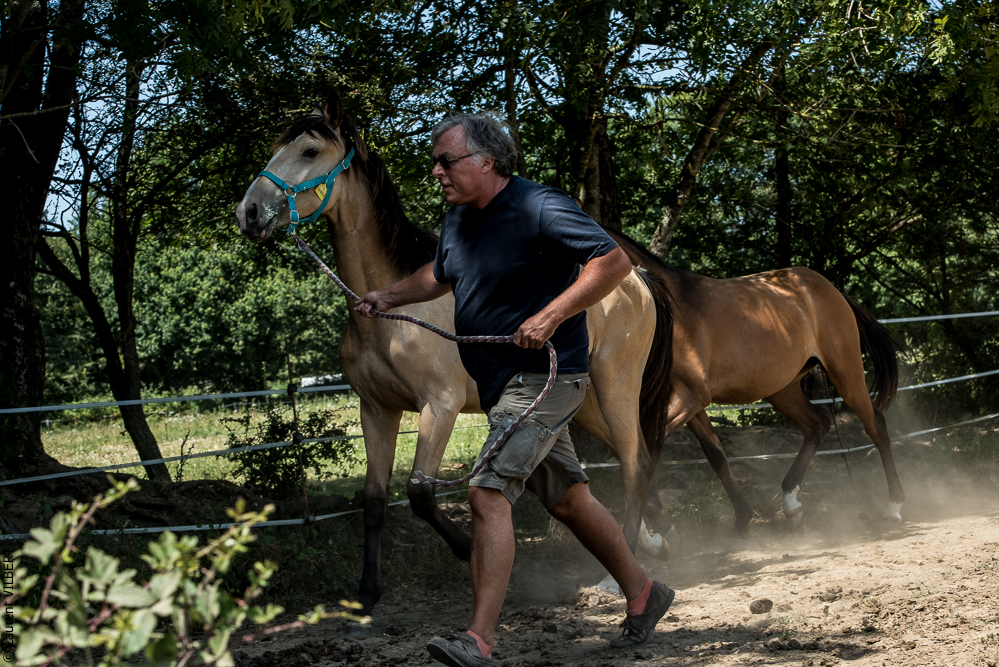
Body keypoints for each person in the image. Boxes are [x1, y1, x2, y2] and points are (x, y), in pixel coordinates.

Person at [355, 112, 674, 667]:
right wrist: (388, 297)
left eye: (446, 160)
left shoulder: (539, 206)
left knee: (486, 492)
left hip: (548, 377)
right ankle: (645, 594)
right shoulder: (460, 218)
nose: (436, 172)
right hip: (502, 383)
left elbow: (614, 260)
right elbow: (441, 275)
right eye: (436, 161)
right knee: (569, 500)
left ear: (488, 161)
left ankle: (477, 640)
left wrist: (551, 316)